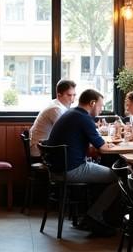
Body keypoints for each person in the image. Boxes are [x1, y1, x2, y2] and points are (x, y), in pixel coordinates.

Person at [45, 89, 120, 234]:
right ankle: (94, 217)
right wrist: (115, 147)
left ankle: (94, 217)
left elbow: (93, 147)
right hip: (70, 170)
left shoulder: (71, 113)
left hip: (58, 169)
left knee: (104, 172)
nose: (101, 109)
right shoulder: (84, 118)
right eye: (100, 105)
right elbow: (103, 148)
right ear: (92, 103)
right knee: (119, 177)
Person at [29, 80, 77, 157]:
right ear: (59, 95)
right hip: (40, 150)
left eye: (74, 95)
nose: (72, 99)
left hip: (45, 147)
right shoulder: (56, 109)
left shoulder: (58, 105)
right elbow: (67, 132)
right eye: (69, 95)